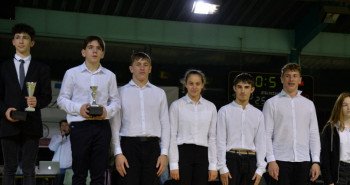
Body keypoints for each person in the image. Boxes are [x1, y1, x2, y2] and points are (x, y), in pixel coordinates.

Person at [57, 36, 120, 185]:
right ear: (83, 52)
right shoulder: (72, 73)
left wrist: (107, 111)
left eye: (99, 48)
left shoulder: (110, 76)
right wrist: (79, 108)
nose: (94, 51)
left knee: (99, 175)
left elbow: (116, 102)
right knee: (79, 174)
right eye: (90, 47)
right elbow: (61, 100)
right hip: (80, 126)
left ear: (103, 54)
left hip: (102, 127)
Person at [0, 23, 52, 185]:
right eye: (17, 37)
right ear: (13, 42)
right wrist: (5, 111)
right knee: (9, 167)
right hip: (8, 122)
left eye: (25, 37)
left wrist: (37, 102)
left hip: (31, 122)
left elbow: (47, 96)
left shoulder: (42, 68)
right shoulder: (3, 67)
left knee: (29, 168)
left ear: (32, 42)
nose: (21, 41)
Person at [111, 52, 170, 185]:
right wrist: (118, 153)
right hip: (128, 147)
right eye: (138, 64)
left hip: (153, 147)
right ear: (131, 68)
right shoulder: (120, 93)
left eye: (145, 65)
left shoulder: (160, 93)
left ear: (150, 69)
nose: (142, 68)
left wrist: (164, 153)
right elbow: (115, 126)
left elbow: (165, 125)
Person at [262, 63, 320, 185]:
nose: (291, 79)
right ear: (282, 79)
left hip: (303, 160)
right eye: (287, 76)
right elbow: (265, 135)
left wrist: (316, 161)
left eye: (295, 76)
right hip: (279, 161)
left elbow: (314, 134)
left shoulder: (309, 104)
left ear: (300, 79)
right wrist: (271, 160)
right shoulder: (271, 103)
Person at [168, 69, 218, 185]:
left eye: (197, 83)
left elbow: (212, 138)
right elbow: (172, 136)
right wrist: (173, 164)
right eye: (191, 83)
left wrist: (213, 166)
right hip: (183, 154)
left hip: (203, 154)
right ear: (185, 84)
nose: (194, 87)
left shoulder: (211, 107)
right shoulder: (176, 106)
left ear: (202, 85)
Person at [217, 73, 266, 185]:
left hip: (251, 160)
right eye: (239, 87)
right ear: (234, 88)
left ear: (252, 89)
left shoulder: (258, 114)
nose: (243, 91)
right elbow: (220, 140)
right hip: (231, 159)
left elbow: (261, 142)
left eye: (246, 87)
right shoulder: (224, 111)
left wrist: (260, 168)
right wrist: (222, 167)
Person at [321, 92, 350, 185]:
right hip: (339, 172)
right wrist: (329, 181)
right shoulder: (330, 128)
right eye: (345, 105)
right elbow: (324, 157)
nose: (349, 108)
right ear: (339, 107)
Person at [48, 120, 72, 185]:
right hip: (57, 167)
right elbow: (51, 148)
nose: (64, 127)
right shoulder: (55, 137)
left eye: (66, 125)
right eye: (62, 125)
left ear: (69, 127)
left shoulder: (73, 137)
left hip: (69, 166)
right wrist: (61, 137)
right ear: (60, 128)